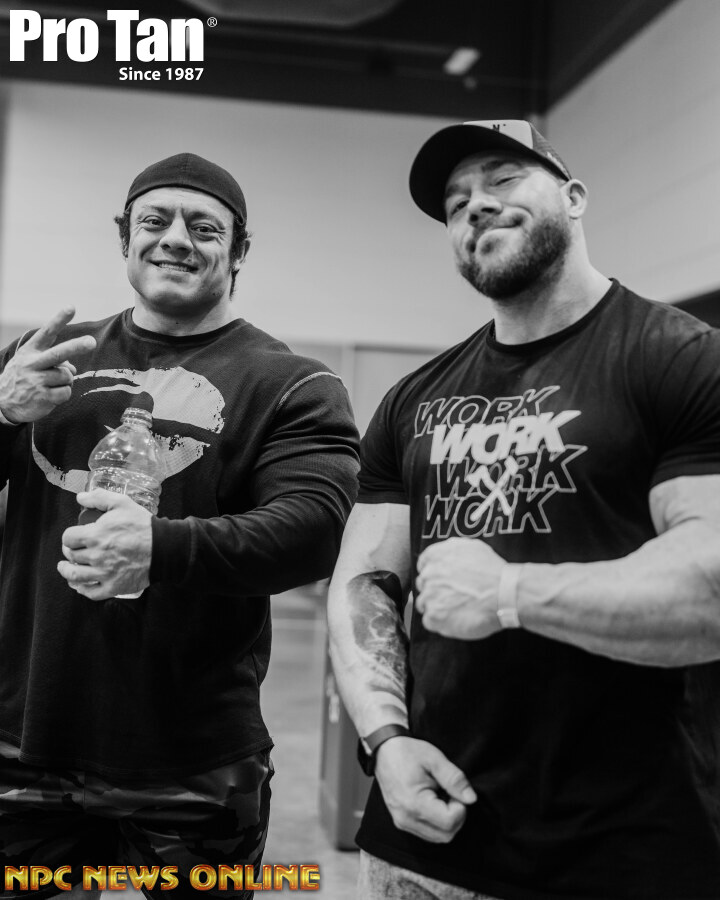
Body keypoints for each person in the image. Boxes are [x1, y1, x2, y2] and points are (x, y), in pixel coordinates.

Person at [327, 119, 720, 900]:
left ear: (574, 197)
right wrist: (386, 741)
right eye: (456, 202)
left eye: (503, 179)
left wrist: (509, 595)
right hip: (425, 835)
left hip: (628, 850)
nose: (475, 205)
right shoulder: (413, 399)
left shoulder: (680, 358)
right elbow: (364, 581)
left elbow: (710, 589)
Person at [0, 152, 359, 899]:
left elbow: (314, 530)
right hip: (24, 741)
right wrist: (0, 411)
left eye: (203, 227)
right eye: (154, 221)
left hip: (193, 760)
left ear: (239, 251)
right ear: (125, 238)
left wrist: (159, 548)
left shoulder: (291, 383)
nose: (175, 239)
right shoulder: (46, 361)